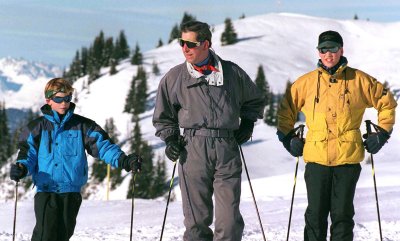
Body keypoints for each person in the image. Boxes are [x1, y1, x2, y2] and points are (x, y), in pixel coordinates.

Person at [276, 30, 397, 241]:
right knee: (315, 215)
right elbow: (285, 110)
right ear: (318, 52)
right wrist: (288, 137)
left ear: (341, 50)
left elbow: (387, 103)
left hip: (347, 159)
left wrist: (382, 133)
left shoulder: (359, 80)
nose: (328, 53)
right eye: (324, 49)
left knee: (342, 215)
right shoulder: (306, 82)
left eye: (333, 48)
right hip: (316, 159)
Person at [152, 20, 265, 241]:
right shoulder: (175, 77)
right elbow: (163, 117)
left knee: (230, 220)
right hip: (192, 149)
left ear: (206, 44)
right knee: (196, 222)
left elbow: (254, 100)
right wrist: (171, 140)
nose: (185, 48)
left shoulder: (232, 73)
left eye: (190, 44)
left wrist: (248, 123)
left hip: (226, 148)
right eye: (181, 43)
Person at [9, 77, 143, 241]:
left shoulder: (83, 126)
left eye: (67, 98)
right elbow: (27, 153)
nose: (64, 103)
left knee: (63, 235)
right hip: (46, 191)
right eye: (59, 99)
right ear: (49, 100)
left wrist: (124, 160)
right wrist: (21, 168)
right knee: (45, 235)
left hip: (71, 193)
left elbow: (104, 147)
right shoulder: (36, 128)